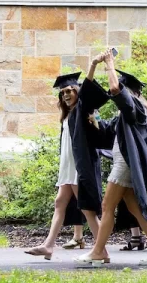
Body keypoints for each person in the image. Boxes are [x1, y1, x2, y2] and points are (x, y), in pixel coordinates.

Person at [75, 51, 147, 267]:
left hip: (125, 164)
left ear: (131, 92)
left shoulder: (136, 107)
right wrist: (95, 118)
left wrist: (109, 63)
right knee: (134, 207)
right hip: (124, 162)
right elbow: (109, 132)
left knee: (107, 205)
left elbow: (116, 89)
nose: (112, 92)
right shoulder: (130, 112)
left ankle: (98, 251)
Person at [25, 72, 97, 260]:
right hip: (67, 167)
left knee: (86, 209)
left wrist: (94, 65)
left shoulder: (81, 111)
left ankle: (100, 248)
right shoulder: (67, 115)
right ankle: (48, 246)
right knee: (60, 203)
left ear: (77, 92)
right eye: (63, 92)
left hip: (77, 167)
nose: (66, 95)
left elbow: (89, 90)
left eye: (69, 91)